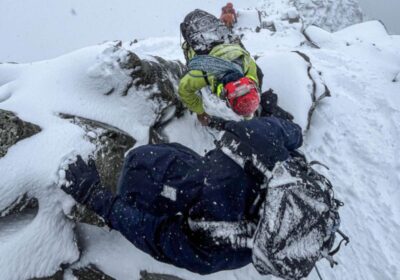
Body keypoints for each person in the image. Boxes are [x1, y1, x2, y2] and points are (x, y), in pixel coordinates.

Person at [60, 116, 343, 278]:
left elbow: (155, 234)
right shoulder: (231, 246)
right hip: (164, 183)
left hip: (159, 175)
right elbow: (156, 236)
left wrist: (95, 196)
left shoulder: (260, 137)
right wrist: (96, 198)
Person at [179, 9, 261, 126]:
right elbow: (184, 89)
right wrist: (200, 111)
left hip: (210, 29)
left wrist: (248, 109)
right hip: (193, 31)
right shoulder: (204, 72)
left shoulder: (246, 62)